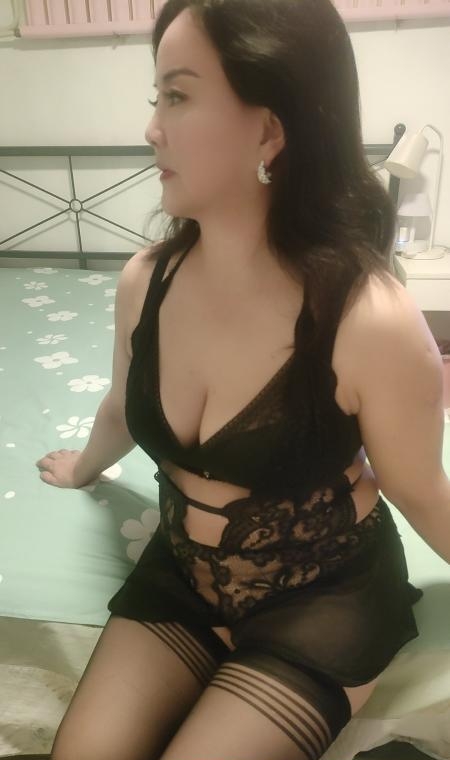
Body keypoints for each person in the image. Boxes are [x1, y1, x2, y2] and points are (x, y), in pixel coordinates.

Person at [36, 1, 450, 758]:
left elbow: (422, 491)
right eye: (156, 97)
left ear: (270, 130)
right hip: (182, 576)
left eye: (178, 95)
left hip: (324, 596)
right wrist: (83, 469)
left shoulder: (368, 320)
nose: (151, 128)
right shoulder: (145, 283)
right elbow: (122, 407)